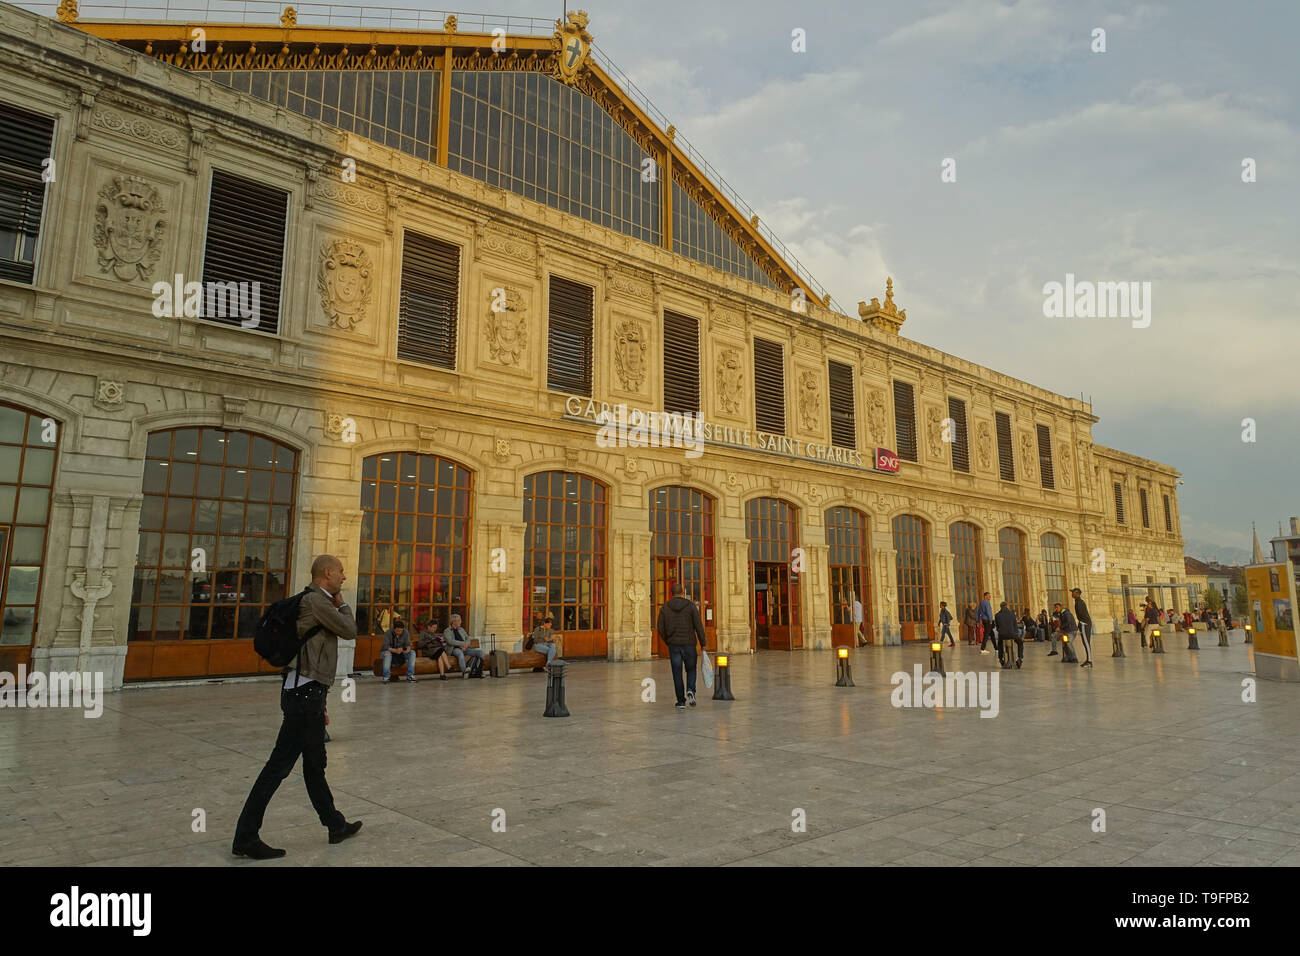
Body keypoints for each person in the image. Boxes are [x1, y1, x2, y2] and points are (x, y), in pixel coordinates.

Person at [232, 554, 362, 859]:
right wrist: (342, 603)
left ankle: (334, 824)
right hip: (304, 697)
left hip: (308, 694)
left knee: (315, 765)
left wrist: (322, 702)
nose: (344, 577)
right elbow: (350, 629)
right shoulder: (318, 602)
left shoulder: (315, 601)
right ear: (327, 574)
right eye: (341, 572)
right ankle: (246, 836)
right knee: (278, 767)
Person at [656, 581, 708, 709]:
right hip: (689, 644)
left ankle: (680, 701)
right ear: (683, 592)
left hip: (674, 645)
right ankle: (691, 689)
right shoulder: (690, 606)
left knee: (677, 673)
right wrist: (703, 643)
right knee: (691, 669)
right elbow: (698, 626)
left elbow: (660, 628)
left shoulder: (665, 608)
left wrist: (668, 641)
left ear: (671, 593)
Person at [444, 613, 484, 678]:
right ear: (454, 622)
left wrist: (466, 645)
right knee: (460, 653)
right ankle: (464, 672)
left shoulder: (461, 629)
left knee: (480, 652)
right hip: (454, 649)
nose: (461, 622)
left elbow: (467, 638)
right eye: (459, 620)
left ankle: (478, 671)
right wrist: (462, 644)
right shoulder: (447, 631)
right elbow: (450, 641)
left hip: (465, 648)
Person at [380, 618, 417, 683]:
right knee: (387, 654)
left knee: (412, 653)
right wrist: (395, 650)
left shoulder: (405, 632)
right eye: (397, 631)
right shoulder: (388, 633)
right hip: (390, 651)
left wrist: (406, 650)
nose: (399, 632)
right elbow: (385, 646)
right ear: (394, 629)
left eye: (401, 631)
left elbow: (408, 645)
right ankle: (386, 677)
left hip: (401, 652)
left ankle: (410, 675)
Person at [994, 602, 1022, 668]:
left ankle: (1001, 659)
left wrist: (1001, 632)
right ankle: (1020, 658)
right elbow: (1015, 626)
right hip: (1012, 634)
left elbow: (997, 627)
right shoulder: (1012, 614)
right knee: (1020, 642)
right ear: (1007, 606)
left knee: (1000, 644)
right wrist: (1016, 634)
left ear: (1000, 607)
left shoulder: (997, 615)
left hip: (1002, 635)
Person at [1071, 588, 1093, 666]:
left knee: (1086, 642)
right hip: (1084, 623)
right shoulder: (1078, 601)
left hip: (1084, 624)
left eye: (1073, 592)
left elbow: (1082, 614)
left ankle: (1089, 661)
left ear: (1077, 593)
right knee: (1085, 642)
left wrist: (1081, 623)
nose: (1072, 594)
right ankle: (1088, 660)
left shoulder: (1079, 602)